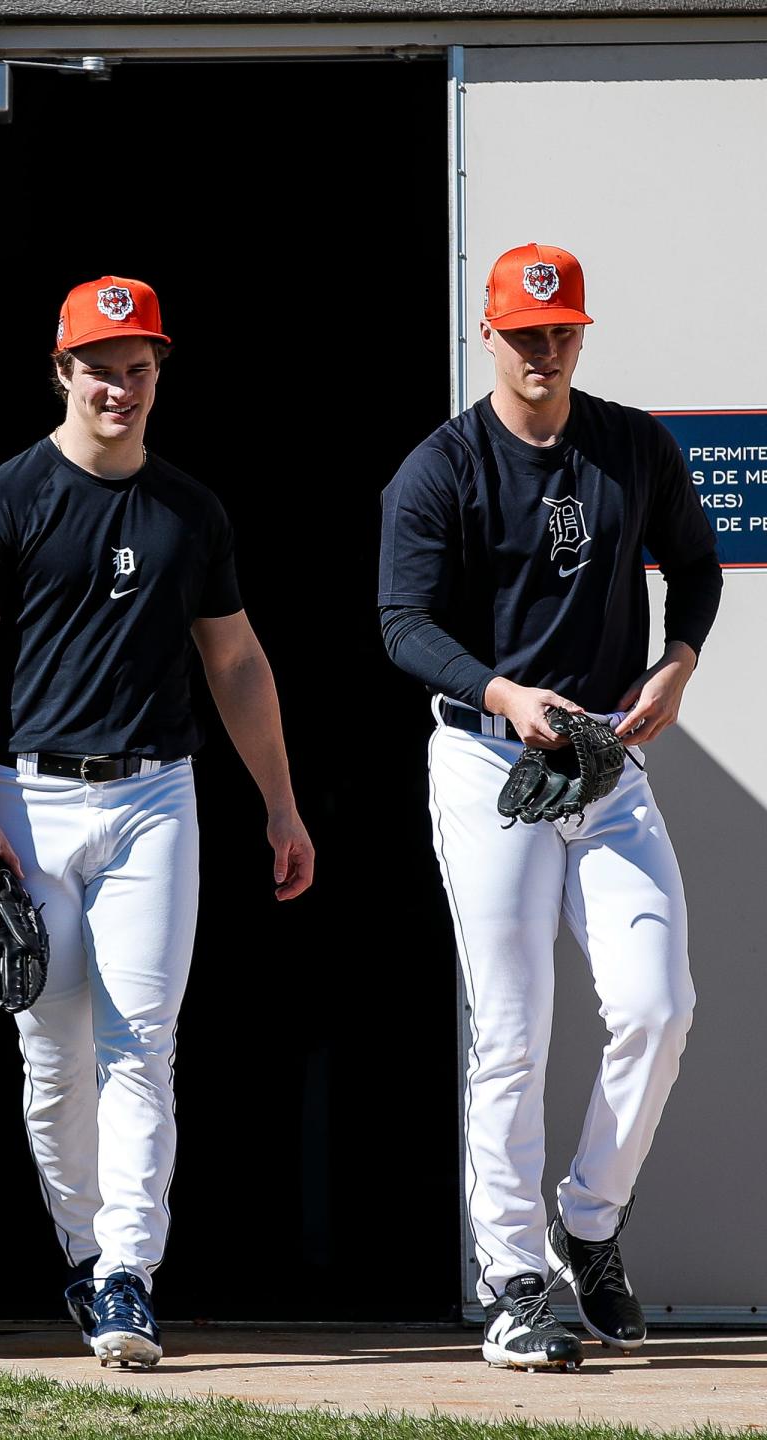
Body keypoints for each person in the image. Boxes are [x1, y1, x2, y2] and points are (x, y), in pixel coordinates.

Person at [0, 275, 314, 1367]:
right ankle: (84, 1250)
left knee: (143, 1048)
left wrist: (281, 803)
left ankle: (127, 1277)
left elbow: (234, 660)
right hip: (29, 800)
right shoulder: (3, 502)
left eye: (138, 367)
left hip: (156, 797)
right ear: (63, 371)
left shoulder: (191, 507)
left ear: (158, 372)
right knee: (52, 1049)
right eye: (100, 366)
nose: (121, 386)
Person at [379, 243, 721, 1371]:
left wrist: (676, 659)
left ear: (582, 332)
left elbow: (698, 566)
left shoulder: (629, 443)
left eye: (561, 329)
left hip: (605, 760)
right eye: (526, 332)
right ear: (490, 333)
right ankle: (519, 1281)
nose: (544, 348)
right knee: (513, 1033)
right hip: (490, 760)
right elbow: (403, 623)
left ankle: (588, 1219)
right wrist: (500, 689)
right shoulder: (443, 467)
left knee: (658, 1003)